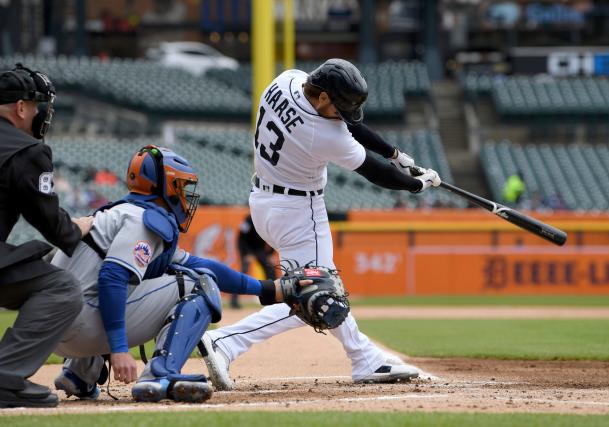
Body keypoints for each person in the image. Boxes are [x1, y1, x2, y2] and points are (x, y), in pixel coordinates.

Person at [201, 58, 441, 390]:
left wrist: (394, 153)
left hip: (263, 201)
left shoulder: (287, 80)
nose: (342, 115)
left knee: (320, 292)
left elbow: (348, 123)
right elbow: (374, 171)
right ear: (325, 97)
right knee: (314, 294)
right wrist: (417, 184)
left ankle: (364, 357)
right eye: (338, 107)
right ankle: (226, 341)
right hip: (299, 211)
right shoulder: (322, 133)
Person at [51, 145, 309, 403]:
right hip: (83, 324)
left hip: (54, 330)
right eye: (181, 186)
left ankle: (80, 373)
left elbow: (201, 263)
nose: (185, 195)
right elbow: (112, 278)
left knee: (181, 275)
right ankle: (160, 374)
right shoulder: (144, 221)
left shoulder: (117, 213)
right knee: (199, 284)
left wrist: (268, 289)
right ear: (165, 187)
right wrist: (119, 350)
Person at [0, 64, 94, 408]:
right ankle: (4, 376)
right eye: (36, 106)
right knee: (62, 287)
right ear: (21, 108)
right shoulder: (25, 149)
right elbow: (54, 227)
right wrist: (78, 227)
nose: (39, 114)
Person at [232, 214, 276, 308]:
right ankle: (234, 301)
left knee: (271, 270)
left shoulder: (267, 218)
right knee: (242, 274)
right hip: (247, 249)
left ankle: (273, 300)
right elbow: (241, 238)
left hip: (260, 250)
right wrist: (246, 254)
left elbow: (272, 237)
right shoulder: (248, 219)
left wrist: (270, 254)